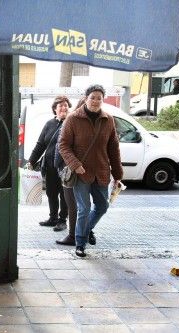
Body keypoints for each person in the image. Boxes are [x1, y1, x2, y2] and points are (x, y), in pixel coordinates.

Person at [59, 85, 123, 257]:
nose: (95, 101)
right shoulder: (73, 119)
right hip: (81, 172)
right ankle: (80, 243)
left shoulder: (108, 119)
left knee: (102, 206)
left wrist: (117, 175)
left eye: (99, 98)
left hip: (101, 171)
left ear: (103, 100)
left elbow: (113, 148)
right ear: (86, 98)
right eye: (92, 97)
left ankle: (87, 229)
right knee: (84, 208)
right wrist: (75, 164)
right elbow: (63, 145)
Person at [28, 96, 71, 231]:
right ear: (55, 109)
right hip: (50, 166)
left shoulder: (71, 123)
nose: (64, 108)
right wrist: (31, 161)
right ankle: (53, 218)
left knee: (64, 194)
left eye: (66, 106)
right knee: (51, 193)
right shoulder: (49, 124)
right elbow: (41, 144)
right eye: (61, 106)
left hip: (65, 167)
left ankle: (62, 220)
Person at [53, 98, 85, 246]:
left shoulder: (70, 122)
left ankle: (75, 235)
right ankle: (84, 232)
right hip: (77, 171)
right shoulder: (74, 122)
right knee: (82, 206)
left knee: (74, 205)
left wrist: (59, 167)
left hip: (72, 171)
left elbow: (61, 147)